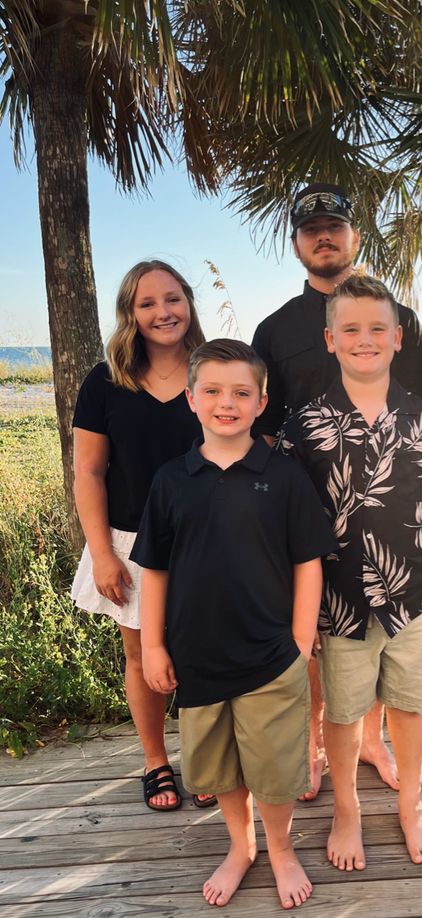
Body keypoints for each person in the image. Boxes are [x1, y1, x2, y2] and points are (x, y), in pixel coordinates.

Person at [131, 339, 336, 908]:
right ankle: (241, 846)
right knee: (221, 770)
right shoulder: (172, 480)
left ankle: (281, 847)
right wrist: (153, 646)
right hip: (198, 658)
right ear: (191, 399)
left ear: (261, 400)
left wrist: (300, 641)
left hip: (272, 657)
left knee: (273, 772)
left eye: (241, 392)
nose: (228, 402)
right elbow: (154, 570)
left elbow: (307, 562)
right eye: (214, 391)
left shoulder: (285, 476)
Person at [280, 274, 422, 870]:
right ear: (330, 339)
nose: (364, 339)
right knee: (341, 714)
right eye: (350, 330)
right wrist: (296, 611)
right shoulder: (303, 426)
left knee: (411, 709)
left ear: (396, 337)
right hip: (336, 605)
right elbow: (286, 527)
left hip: (419, 597)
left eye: (376, 329)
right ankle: (347, 811)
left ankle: (411, 806)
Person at [252, 182, 422, 798]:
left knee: (377, 632)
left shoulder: (399, 318)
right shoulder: (274, 329)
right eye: (310, 229)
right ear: (298, 244)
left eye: (334, 225)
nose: (323, 236)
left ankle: (372, 742)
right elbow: (261, 422)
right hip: (306, 513)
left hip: (388, 510)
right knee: (315, 637)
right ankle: (315, 746)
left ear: (355, 235)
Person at [72, 259, 217, 811]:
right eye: (148, 303)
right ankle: (157, 763)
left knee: (202, 655)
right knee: (140, 656)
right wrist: (104, 553)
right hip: (130, 541)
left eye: (173, 298)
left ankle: (203, 759)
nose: (163, 312)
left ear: (189, 303)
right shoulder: (105, 381)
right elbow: (88, 471)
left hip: (207, 540)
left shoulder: (211, 370)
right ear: (130, 314)